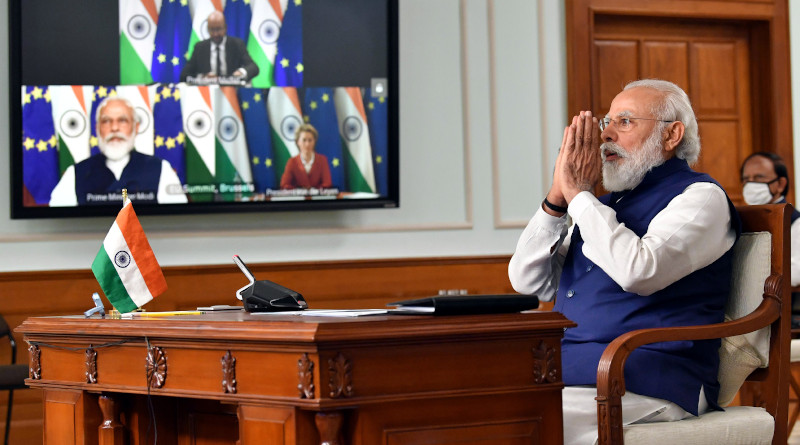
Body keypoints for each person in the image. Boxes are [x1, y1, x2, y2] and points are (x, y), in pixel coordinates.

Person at [508, 79, 740, 445]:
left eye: (626, 121)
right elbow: (528, 281)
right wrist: (558, 197)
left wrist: (580, 196)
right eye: (606, 122)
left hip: (648, 375)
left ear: (671, 135)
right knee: (472, 408)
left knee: (513, 422)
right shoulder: (607, 206)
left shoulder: (701, 198)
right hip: (573, 371)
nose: (606, 135)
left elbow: (639, 272)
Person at [49, 97, 187, 206]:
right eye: (106, 121)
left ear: (136, 127)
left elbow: (178, 219)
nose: (114, 128)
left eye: (122, 120)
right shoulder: (75, 173)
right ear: (97, 129)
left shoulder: (161, 169)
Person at [740, 152, 800, 288]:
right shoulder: (742, 219)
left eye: (759, 177)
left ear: (780, 184)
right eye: (746, 179)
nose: (751, 184)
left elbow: (797, 271)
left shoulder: (796, 223)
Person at [180, 11, 259, 83]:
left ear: (225, 28)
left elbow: (254, 67)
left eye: (218, 29)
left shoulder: (237, 44)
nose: (215, 34)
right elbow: (184, 75)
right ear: (207, 29)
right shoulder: (200, 47)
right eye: (212, 30)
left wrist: (241, 72)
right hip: (208, 94)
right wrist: (203, 77)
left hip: (232, 93)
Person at [280, 124, 333, 190]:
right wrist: (299, 192)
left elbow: (327, 184)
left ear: (314, 141)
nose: (307, 144)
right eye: (304, 140)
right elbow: (284, 185)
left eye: (310, 140)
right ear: (298, 142)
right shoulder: (292, 162)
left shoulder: (322, 160)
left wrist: (315, 192)